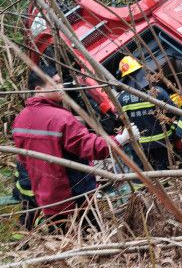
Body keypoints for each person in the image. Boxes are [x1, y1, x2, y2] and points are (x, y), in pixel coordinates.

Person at [12, 66, 138, 231]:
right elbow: (90, 147)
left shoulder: (20, 120)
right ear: (38, 89)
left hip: (48, 198)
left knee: (63, 239)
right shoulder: (61, 118)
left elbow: (24, 160)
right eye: (55, 83)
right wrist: (121, 139)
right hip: (75, 196)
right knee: (91, 234)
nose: (62, 87)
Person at [116, 56, 176, 170]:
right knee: (167, 169)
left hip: (139, 144)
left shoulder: (121, 99)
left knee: (150, 171)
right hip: (163, 141)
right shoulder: (157, 92)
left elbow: (120, 122)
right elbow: (174, 113)